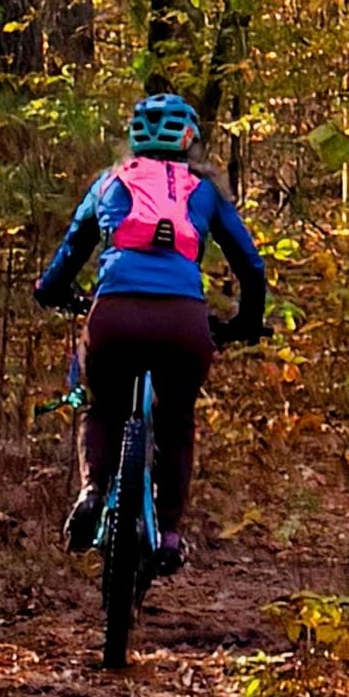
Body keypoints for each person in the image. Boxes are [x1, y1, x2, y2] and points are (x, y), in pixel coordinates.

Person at [34, 92, 267, 572]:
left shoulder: (109, 183)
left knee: (102, 405)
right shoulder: (205, 193)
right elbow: (252, 266)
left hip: (114, 317)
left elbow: (68, 255)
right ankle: (169, 535)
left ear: (133, 138)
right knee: (177, 422)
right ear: (191, 142)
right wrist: (244, 323)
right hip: (183, 323)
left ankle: (93, 491)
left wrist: (52, 291)